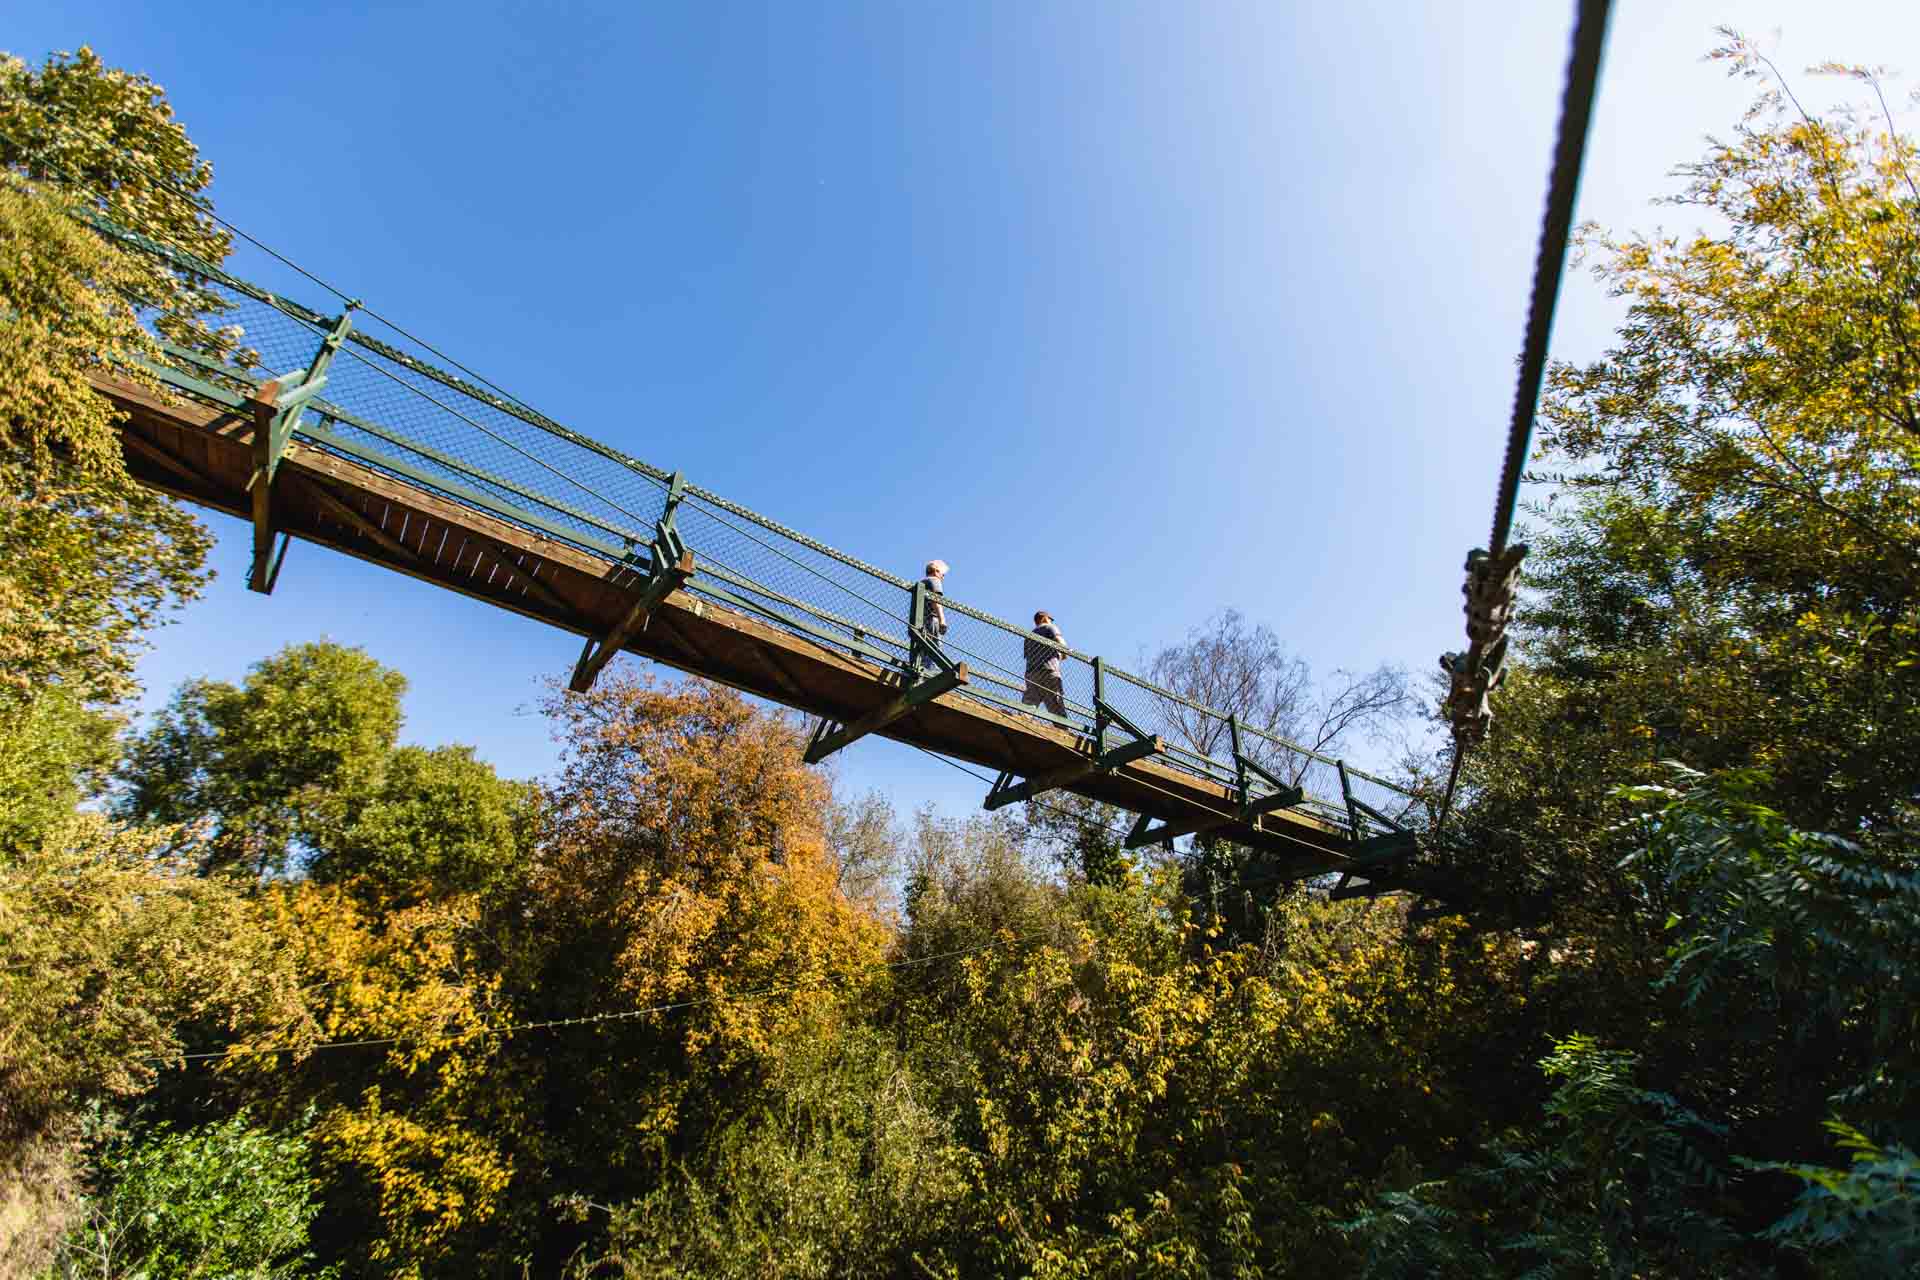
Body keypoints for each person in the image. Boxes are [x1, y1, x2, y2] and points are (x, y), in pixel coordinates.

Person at [1023, 610, 1067, 716]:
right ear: (1044, 618)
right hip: (1048, 670)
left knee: (1030, 702)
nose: (1051, 622)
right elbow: (1062, 645)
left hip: (1031, 673)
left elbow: (1028, 655)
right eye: (1050, 619)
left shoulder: (1028, 636)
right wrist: (1064, 655)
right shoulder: (1049, 627)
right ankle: (1063, 731)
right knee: (1056, 705)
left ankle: (1021, 719)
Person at [920, 560, 949, 639]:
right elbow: (936, 600)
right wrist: (942, 620)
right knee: (936, 649)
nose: (943, 577)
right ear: (936, 571)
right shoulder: (935, 580)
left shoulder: (923, 582)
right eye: (942, 574)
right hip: (932, 619)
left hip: (921, 621)